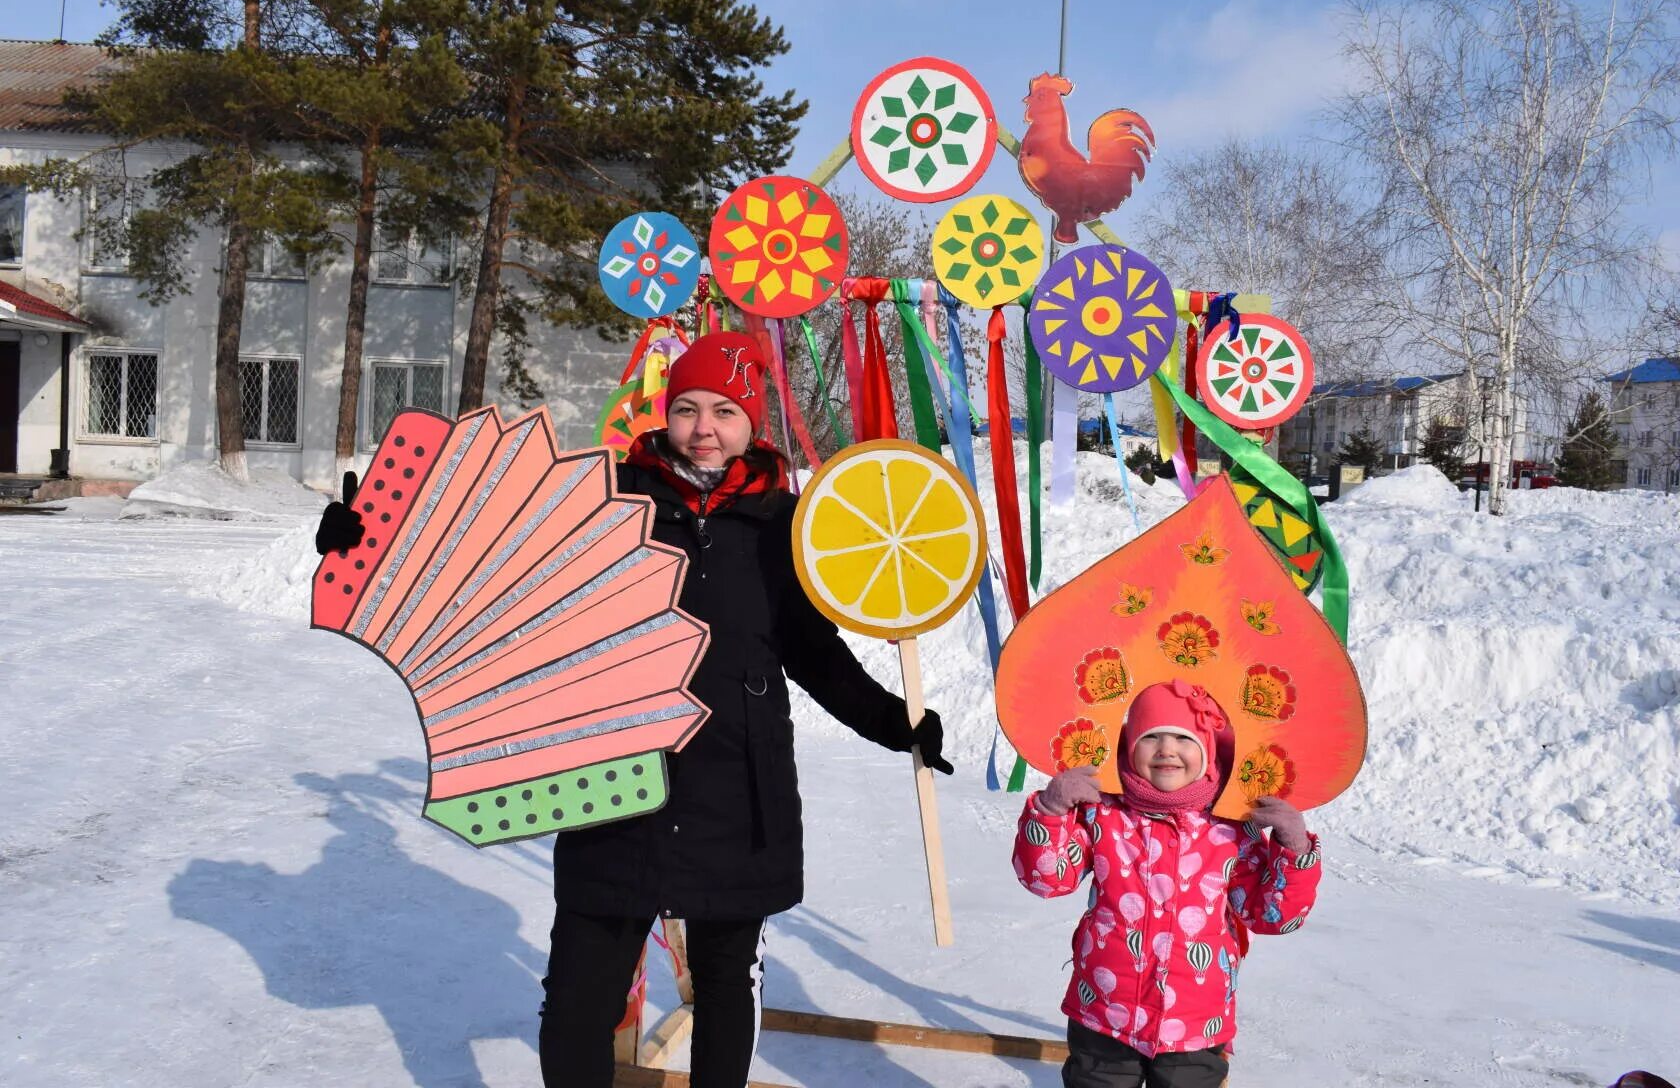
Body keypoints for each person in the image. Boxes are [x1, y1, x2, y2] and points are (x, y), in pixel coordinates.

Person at [314, 330, 951, 1088]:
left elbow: (814, 653)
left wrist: (894, 722)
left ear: (755, 424)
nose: (704, 428)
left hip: (739, 792)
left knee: (724, 985)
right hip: (615, 784)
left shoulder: (786, 526)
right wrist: (368, 543)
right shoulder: (612, 501)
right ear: (666, 414)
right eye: (686, 409)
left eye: (724, 410)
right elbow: (492, 569)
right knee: (581, 998)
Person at [1013, 678, 1320, 1088]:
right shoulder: (1103, 812)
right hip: (1105, 1011)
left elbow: (1274, 916)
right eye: (1151, 736)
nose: (1167, 749)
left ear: (1208, 748)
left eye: (1183, 737)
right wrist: (1051, 812)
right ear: (1128, 745)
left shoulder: (1230, 828)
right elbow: (1046, 880)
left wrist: (1293, 849)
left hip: (1195, 1021)